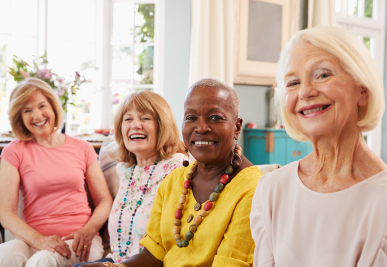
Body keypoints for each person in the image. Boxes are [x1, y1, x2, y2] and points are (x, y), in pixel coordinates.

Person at [250, 26, 387, 266]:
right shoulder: (270, 190)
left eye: (322, 75)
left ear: (362, 91)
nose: (306, 92)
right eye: (293, 82)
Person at [78, 78, 263, 267]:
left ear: (237, 127)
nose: (201, 128)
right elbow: (153, 253)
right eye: (191, 118)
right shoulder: (175, 181)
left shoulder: (253, 189)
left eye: (215, 118)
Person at [0, 77, 113, 267]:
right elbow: (5, 213)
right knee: (5, 254)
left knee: (42, 261)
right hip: (34, 241)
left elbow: (104, 200)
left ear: (53, 107)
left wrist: (88, 230)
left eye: (42, 106)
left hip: (80, 242)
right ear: (19, 117)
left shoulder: (82, 147)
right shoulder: (13, 151)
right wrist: (40, 241)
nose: (37, 115)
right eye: (27, 110)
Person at [74, 90, 186, 267]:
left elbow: (170, 245)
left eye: (145, 118)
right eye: (128, 119)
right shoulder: (125, 169)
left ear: (162, 125)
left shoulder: (178, 167)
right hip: (118, 262)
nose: (136, 125)